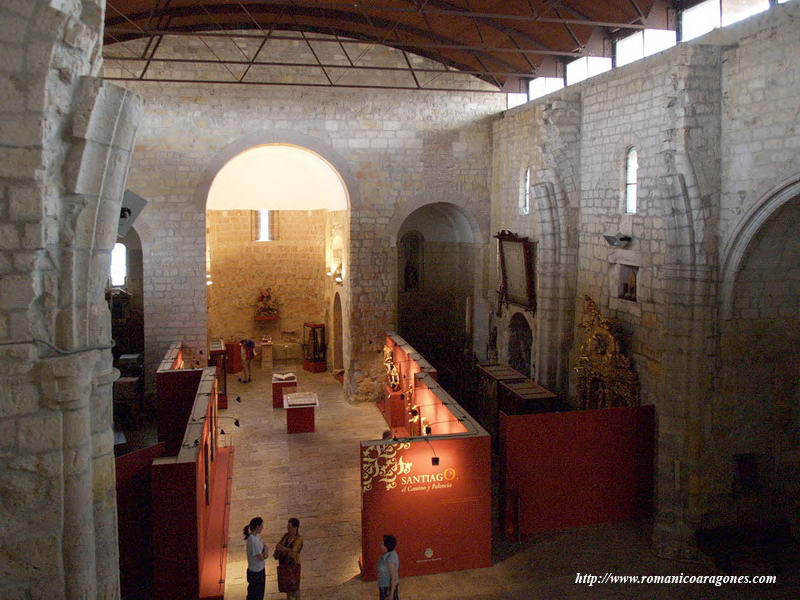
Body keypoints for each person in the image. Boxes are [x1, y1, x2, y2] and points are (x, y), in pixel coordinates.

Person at [274, 517, 303, 599]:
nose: (288, 529)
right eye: (287, 527)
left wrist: (283, 548)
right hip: (285, 565)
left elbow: (293, 552)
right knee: (287, 589)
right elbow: (278, 546)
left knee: (295, 588)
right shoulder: (286, 536)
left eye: (289, 527)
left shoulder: (299, 538)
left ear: (295, 527)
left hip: (294, 566)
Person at [243, 517, 268, 600]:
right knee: (256, 595)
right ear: (257, 526)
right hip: (256, 573)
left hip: (257, 571)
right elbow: (261, 557)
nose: (263, 527)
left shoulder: (255, 537)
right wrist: (266, 553)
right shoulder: (253, 540)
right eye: (261, 525)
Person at [377, 534, 399, 600]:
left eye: (382, 544)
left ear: (387, 547)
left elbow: (394, 578)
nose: (380, 545)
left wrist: (391, 595)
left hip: (387, 587)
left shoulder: (390, 560)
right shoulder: (389, 554)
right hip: (384, 584)